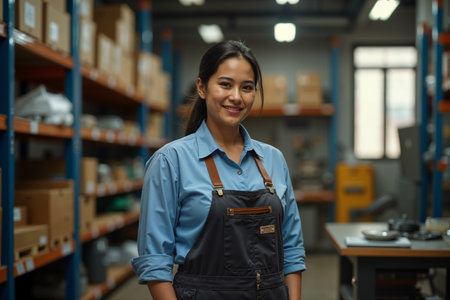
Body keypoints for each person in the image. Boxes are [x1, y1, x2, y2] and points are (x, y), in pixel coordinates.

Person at [132, 40, 306, 300]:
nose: (236, 96)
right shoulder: (171, 160)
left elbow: (292, 249)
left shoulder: (273, 159)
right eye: (225, 84)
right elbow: (155, 262)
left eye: (246, 88)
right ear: (202, 87)